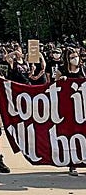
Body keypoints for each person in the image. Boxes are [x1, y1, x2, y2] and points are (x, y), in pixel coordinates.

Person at [55, 47, 85, 176]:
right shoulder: (61, 71)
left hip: (82, 109)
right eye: (72, 57)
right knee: (71, 136)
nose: (75, 59)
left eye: (76, 56)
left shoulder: (83, 70)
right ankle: (72, 164)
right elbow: (52, 86)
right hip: (68, 110)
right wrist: (61, 81)